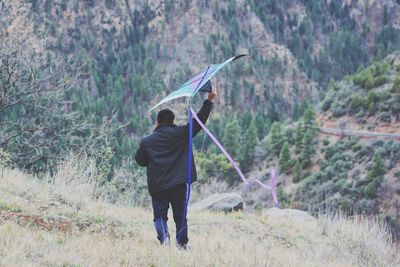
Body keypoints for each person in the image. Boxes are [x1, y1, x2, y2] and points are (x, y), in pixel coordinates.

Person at [135, 89, 217, 248]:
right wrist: (209, 100)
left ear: (157, 122)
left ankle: (164, 239)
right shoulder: (182, 133)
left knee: (159, 216)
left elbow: (140, 160)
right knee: (180, 216)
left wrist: (152, 160)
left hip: (158, 185)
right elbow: (199, 121)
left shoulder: (148, 141)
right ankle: (182, 244)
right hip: (179, 184)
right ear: (173, 121)